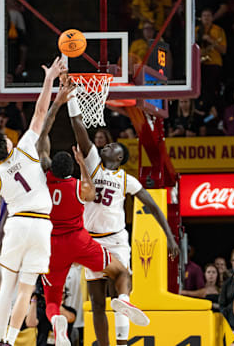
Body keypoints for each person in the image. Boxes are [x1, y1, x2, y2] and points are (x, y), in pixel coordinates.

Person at [67, 82, 180, 346]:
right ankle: (111, 334)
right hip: (91, 241)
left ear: (119, 157)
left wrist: (171, 237)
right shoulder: (93, 165)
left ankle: (122, 320)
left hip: (115, 238)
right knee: (96, 303)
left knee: (123, 279)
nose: (107, 146)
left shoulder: (126, 179)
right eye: (106, 145)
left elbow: (153, 207)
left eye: (113, 146)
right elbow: (78, 128)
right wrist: (72, 98)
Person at [37, 83, 148, 346]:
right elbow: (91, 190)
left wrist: (55, 105)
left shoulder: (44, 178)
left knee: (52, 300)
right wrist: (82, 167)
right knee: (122, 275)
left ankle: (57, 323)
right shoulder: (80, 188)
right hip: (81, 241)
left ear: (51, 168)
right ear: (72, 171)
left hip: (52, 245)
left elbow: (42, 139)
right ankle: (123, 300)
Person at [0, 58, 64, 346]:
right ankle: (10, 337)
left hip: (18, 225)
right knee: (26, 290)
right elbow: (41, 110)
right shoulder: (26, 148)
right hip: (42, 226)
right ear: (7, 145)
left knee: (7, 284)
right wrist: (49, 79)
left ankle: (0, 340)